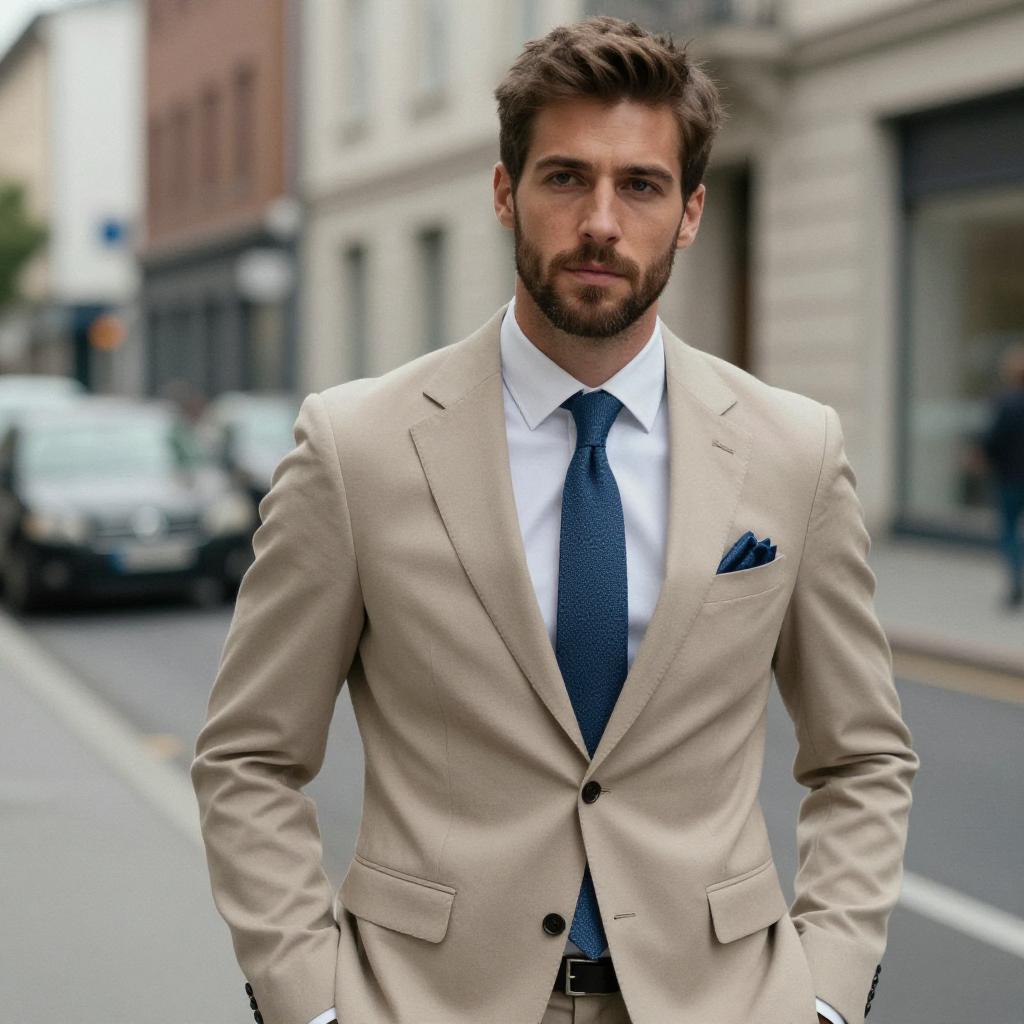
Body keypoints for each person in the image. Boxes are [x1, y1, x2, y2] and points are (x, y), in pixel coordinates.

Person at [192, 17, 918, 1024]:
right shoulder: (355, 447)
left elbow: (863, 757)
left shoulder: (792, 448)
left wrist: (829, 990)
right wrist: (308, 1002)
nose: (601, 223)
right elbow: (248, 758)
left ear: (692, 210)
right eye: (566, 178)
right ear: (505, 194)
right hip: (425, 1002)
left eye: (642, 185)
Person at [980, 343, 1024, 608]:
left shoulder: (1005, 403)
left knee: (1008, 531)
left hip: (1009, 478)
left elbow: (991, 440)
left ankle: (1016, 581)